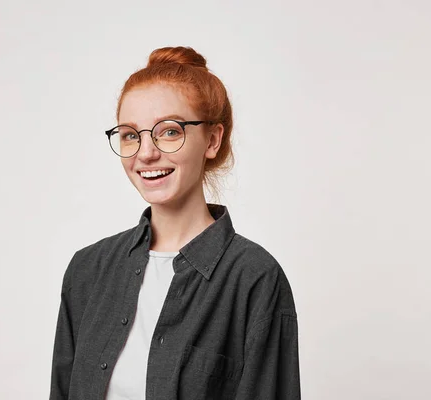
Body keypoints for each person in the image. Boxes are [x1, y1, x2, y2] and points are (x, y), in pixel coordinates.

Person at [49, 46, 300, 400]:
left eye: (169, 131)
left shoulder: (254, 277)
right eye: (131, 135)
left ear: (212, 140)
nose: (147, 152)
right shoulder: (87, 270)